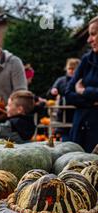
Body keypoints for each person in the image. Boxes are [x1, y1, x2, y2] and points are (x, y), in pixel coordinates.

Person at [65, 16, 98, 153]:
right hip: (80, 129)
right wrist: (93, 102)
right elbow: (68, 93)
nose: (89, 39)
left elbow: (77, 91)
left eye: (93, 34)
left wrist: (84, 91)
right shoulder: (86, 60)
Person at [47, 58, 80, 141]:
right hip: (63, 116)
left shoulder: (81, 81)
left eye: (74, 69)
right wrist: (53, 92)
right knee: (65, 140)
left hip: (77, 113)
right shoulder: (61, 81)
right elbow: (49, 95)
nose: (71, 71)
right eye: (70, 69)